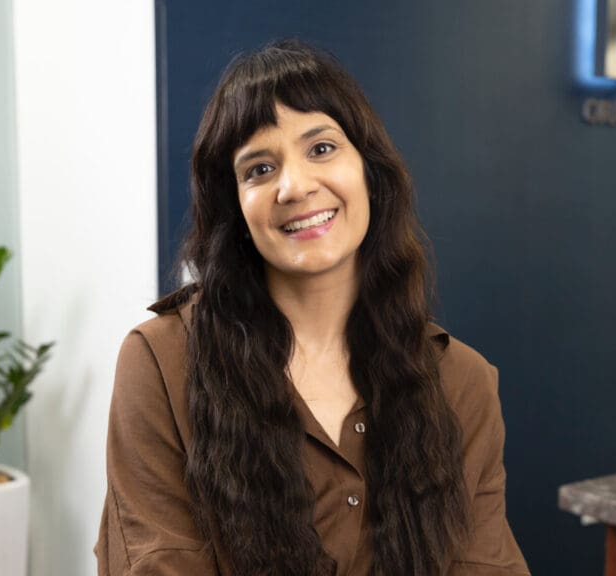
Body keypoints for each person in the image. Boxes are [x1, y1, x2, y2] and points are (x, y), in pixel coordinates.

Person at [96, 40, 529, 576]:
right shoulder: (160, 363)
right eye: (258, 168)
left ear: (368, 169)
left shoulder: (462, 382)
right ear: (235, 205)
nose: (295, 186)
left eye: (321, 148)